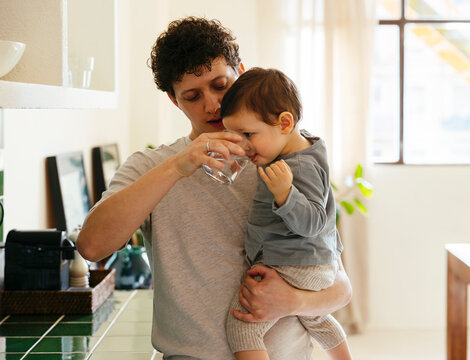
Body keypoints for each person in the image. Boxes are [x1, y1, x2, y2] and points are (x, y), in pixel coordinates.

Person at [77, 17, 352, 359]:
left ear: (241, 71)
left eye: (221, 85)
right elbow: (91, 245)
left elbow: (339, 286)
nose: (212, 105)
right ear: (174, 101)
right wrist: (178, 166)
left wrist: (296, 301)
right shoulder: (150, 167)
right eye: (192, 96)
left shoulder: (288, 159)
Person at [221, 68, 353, 360]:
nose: (243, 146)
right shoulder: (295, 149)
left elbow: (315, 222)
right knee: (315, 317)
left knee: (242, 326)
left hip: (295, 262)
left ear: (285, 122)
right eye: (235, 135)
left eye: (248, 134)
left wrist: (285, 194)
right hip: (310, 263)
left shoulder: (299, 167)